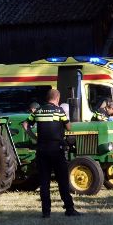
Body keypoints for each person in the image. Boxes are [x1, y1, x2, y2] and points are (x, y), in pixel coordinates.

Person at [28, 89, 80, 218]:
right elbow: (69, 127)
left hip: (42, 151)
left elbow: (25, 124)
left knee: (44, 182)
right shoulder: (59, 111)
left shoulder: (38, 111)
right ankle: (69, 209)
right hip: (57, 150)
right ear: (57, 98)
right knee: (62, 180)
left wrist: (34, 138)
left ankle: (46, 213)